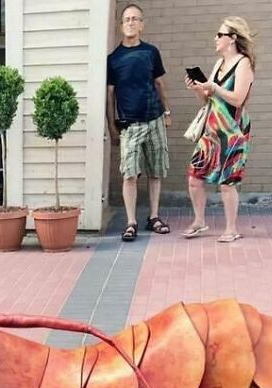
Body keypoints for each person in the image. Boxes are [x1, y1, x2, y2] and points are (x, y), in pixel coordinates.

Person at [184, 17, 255, 243]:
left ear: (232, 38)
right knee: (195, 177)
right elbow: (207, 100)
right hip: (212, 129)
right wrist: (198, 89)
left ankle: (231, 229)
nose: (215, 38)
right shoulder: (218, 64)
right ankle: (199, 221)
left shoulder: (243, 63)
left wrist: (214, 87)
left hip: (233, 130)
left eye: (219, 34)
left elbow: (238, 99)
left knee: (228, 182)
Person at [106, 3, 172, 241]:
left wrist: (166, 113)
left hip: (154, 119)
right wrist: (112, 127)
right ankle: (131, 221)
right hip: (129, 125)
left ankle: (153, 216)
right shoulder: (113, 59)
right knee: (129, 174)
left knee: (156, 171)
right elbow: (110, 94)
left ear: (142, 24)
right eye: (127, 19)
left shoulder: (151, 52)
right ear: (121, 26)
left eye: (135, 19)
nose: (131, 22)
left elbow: (159, 84)